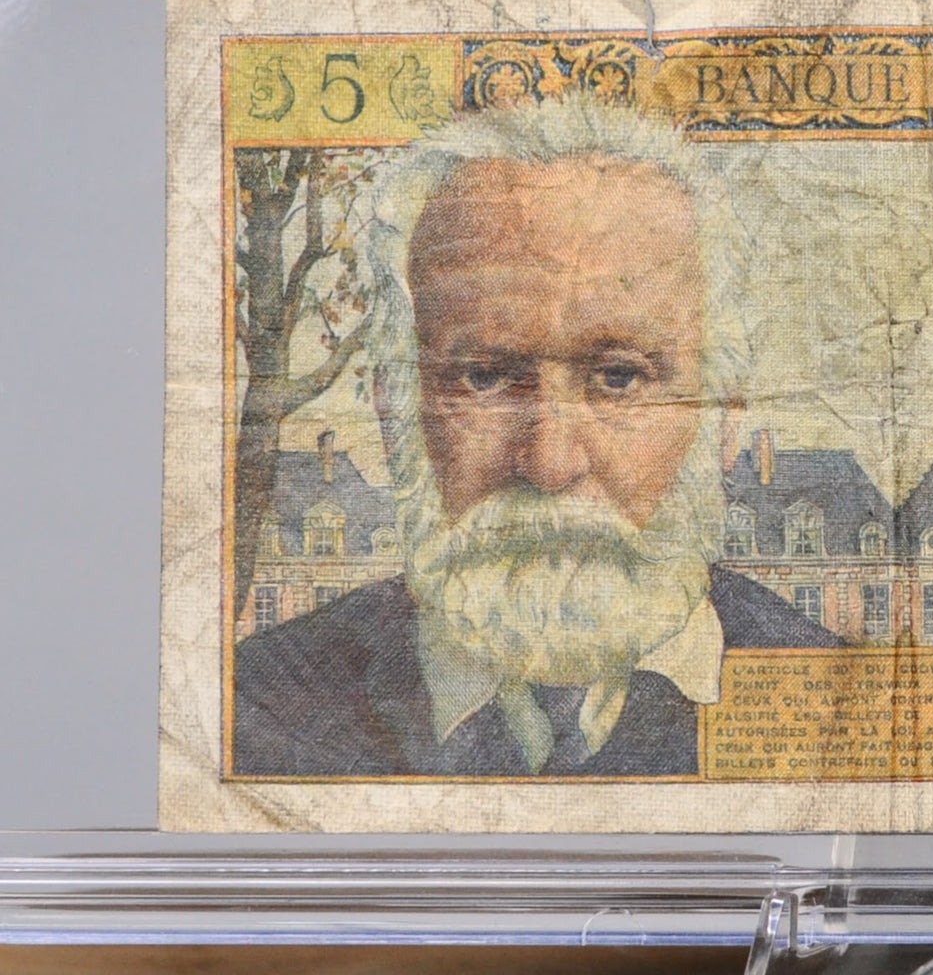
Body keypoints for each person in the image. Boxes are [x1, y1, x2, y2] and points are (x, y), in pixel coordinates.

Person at [233, 93, 840, 777]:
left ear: (724, 415)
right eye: (485, 377)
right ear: (395, 410)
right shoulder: (255, 706)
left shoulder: (848, 701)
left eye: (618, 379)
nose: (550, 464)